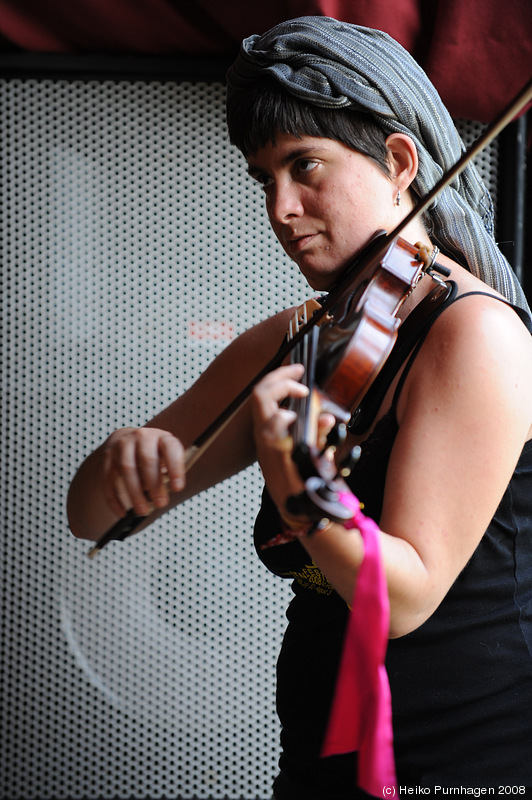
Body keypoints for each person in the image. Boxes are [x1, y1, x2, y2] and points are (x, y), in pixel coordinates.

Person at [67, 16, 532, 797]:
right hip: (320, 751)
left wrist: (297, 483)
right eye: (263, 178)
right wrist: (122, 461)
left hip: (462, 758)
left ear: (398, 161)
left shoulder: (474, 334)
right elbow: (91, 518)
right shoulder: (300, 335)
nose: (281, 208)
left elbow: (403, 599)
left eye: (304, 166)